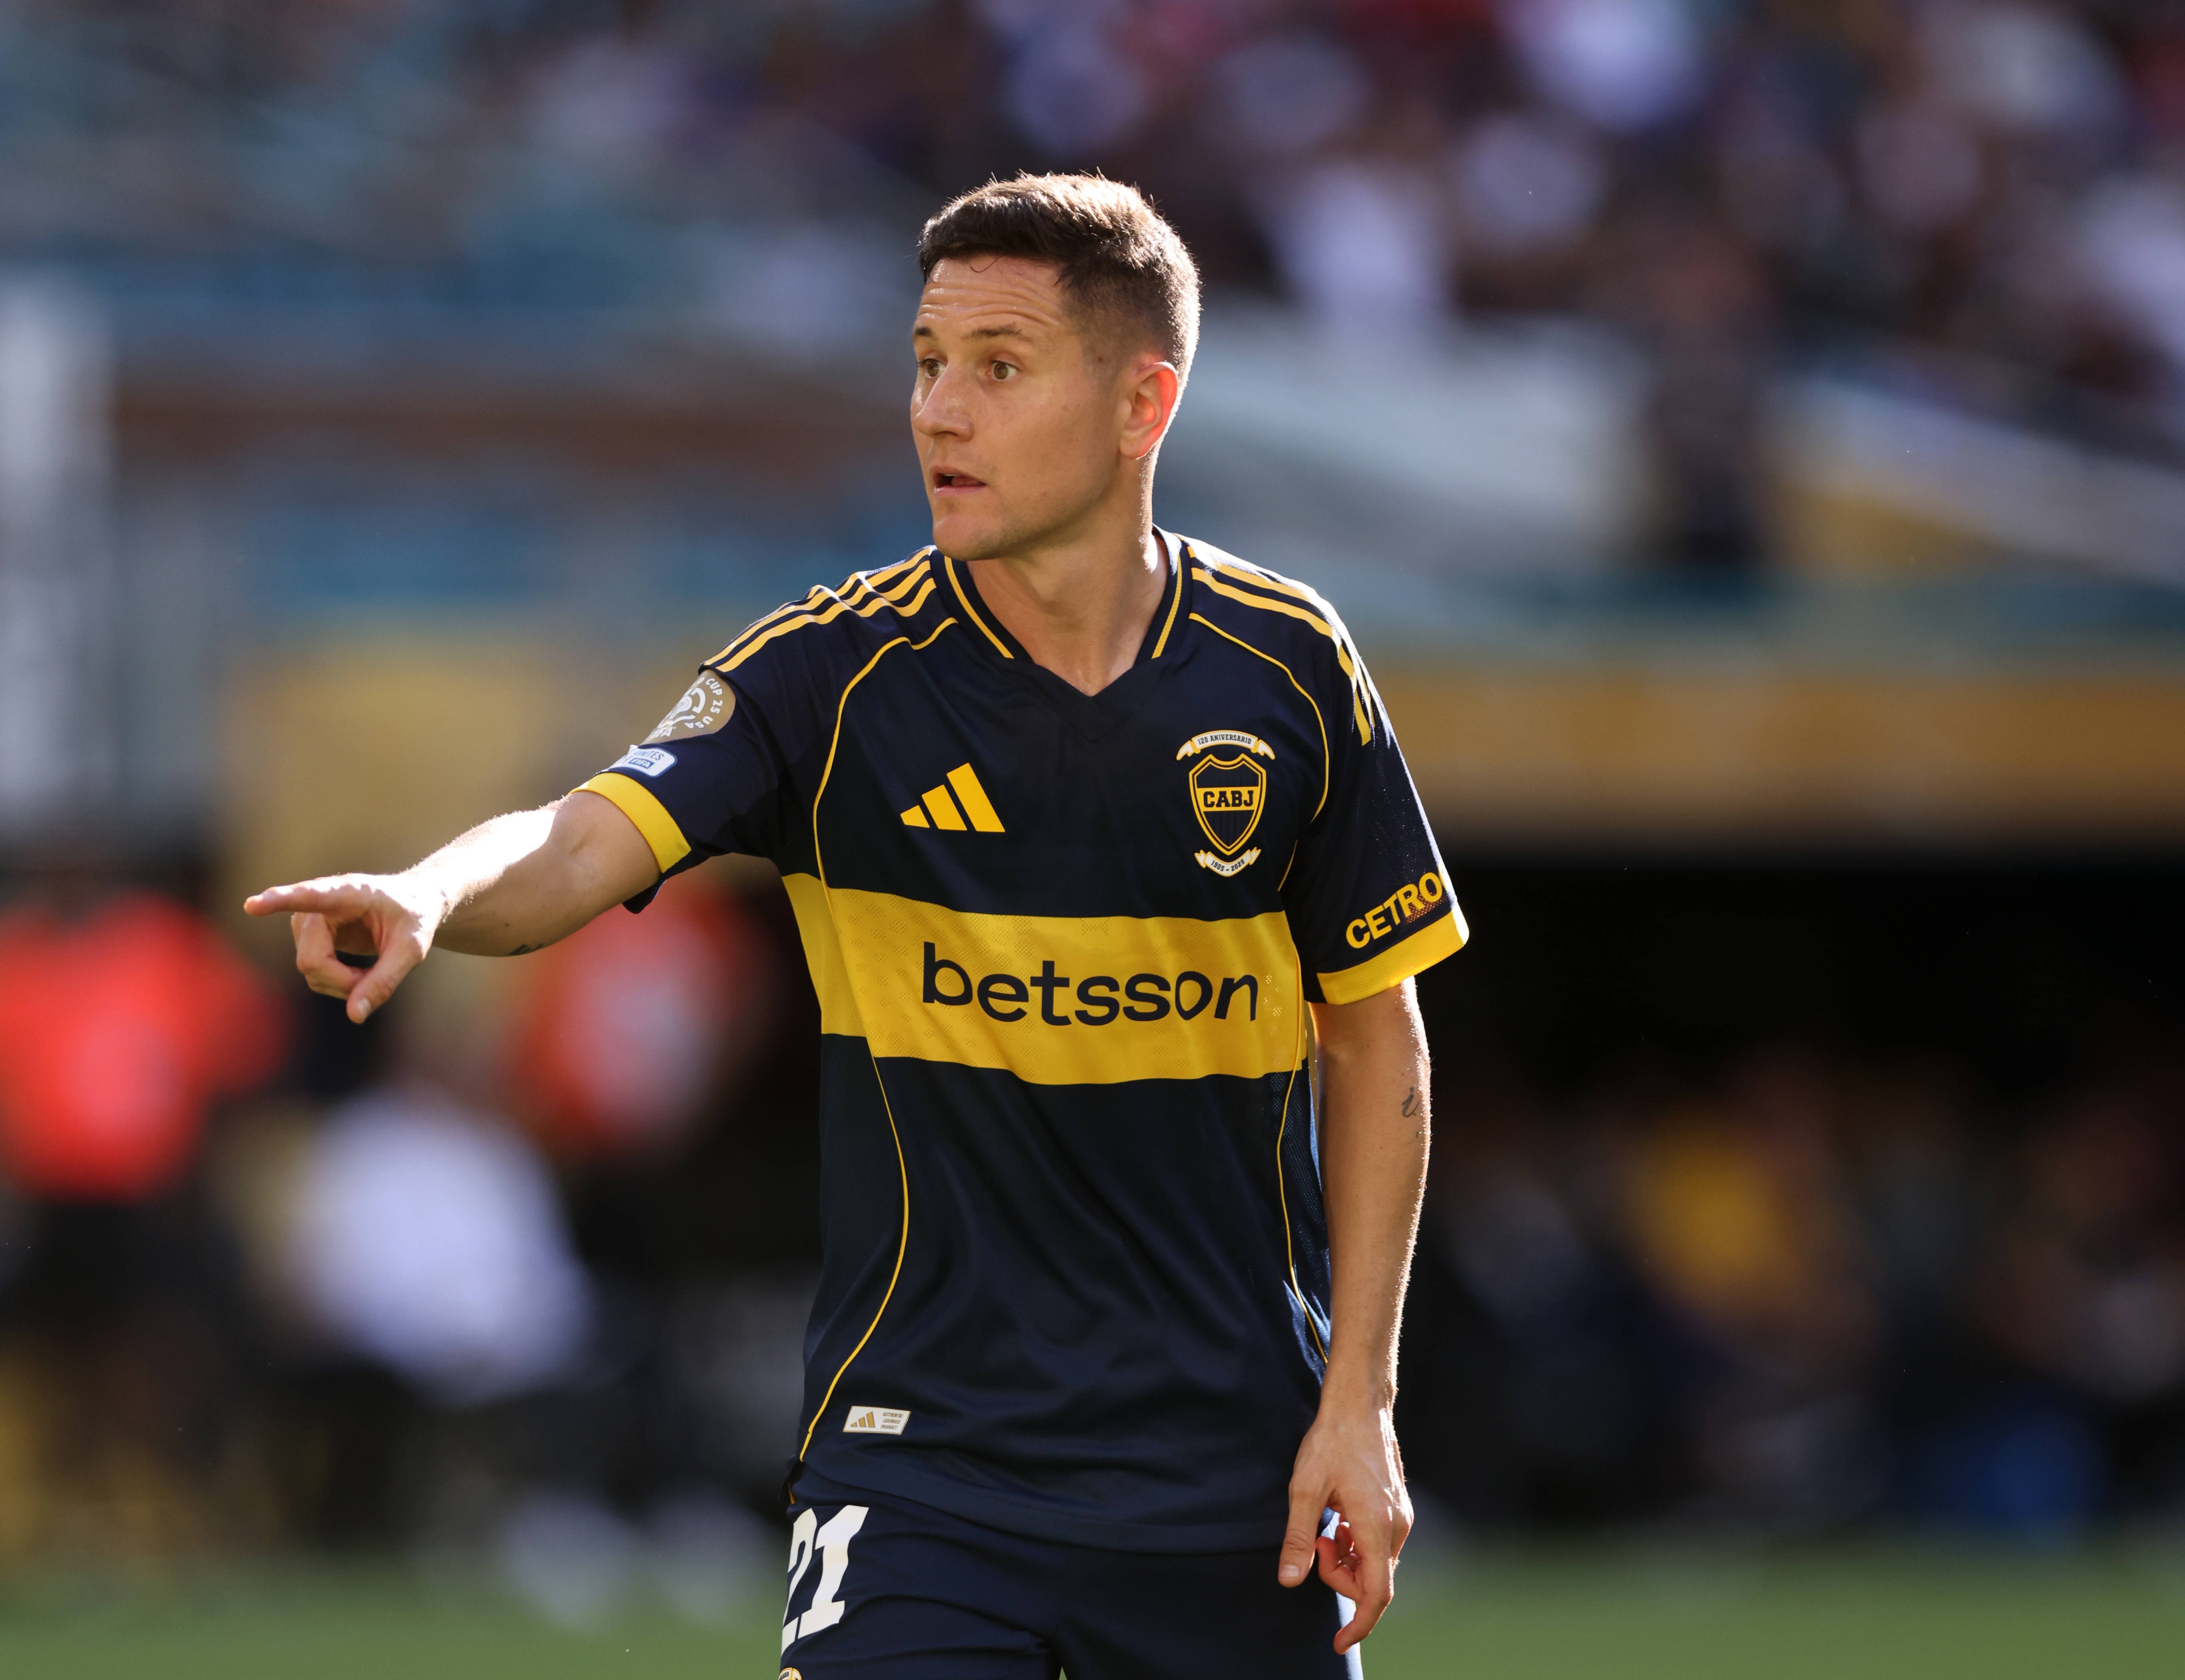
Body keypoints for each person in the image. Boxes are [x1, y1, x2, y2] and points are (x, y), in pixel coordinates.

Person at [248, 174, 1465, 1677]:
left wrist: (1361, 1401)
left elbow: (1379, 1041)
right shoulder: (833, 677)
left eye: (998, 367)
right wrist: (428, 894)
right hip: (921, 1474)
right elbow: (575, 840)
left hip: (1232, 1478)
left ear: (1142, 403)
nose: (938, 411)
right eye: (927, 361)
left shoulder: (1288, 669)